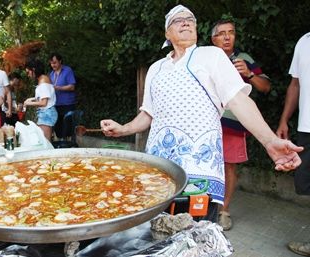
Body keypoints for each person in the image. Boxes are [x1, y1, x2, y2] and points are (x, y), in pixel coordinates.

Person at [100, 5, 302, 222]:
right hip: (158, 171)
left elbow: (238, 100)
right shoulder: (156, 69)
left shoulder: (211, 56)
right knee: (156, 236)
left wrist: (270, 141)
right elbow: (148, 114)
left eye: (190, 19)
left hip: (200, 171)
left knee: (197, 237)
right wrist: (123, 129)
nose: (186, 22)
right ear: (167, 33)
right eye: (178, 20)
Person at [211, 20, 271, 230]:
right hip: (206, 124)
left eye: (231, 33)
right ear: (213, 39)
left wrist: (250, 74)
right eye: (222, 34)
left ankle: (224, 211)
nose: (227, 37)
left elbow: (265, 87)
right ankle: (201, 206)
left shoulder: (244, 59)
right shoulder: (206, 58)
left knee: (229, 167)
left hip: (233, 125)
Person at [276, 32, 310, 257]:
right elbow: (295, 84)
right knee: (307, 184)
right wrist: (284, 119)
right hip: (306, 127)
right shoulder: (304, 41)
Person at [24, 60, 58, 141]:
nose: (28, 75)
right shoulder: (43, 79)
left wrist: (28, 103)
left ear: (33, 69)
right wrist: (32, 99)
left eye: (28, 72)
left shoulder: (43, 81)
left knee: (46, 143)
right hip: (46, 113)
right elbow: (43, 97)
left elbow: (44, 103)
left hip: (46, 113)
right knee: (44, 142)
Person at [48, 53, 77, 139]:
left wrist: (58, 88)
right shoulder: (51, 74)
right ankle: (62, 145)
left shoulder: (67, 70)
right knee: (59, 129)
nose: (53, 65)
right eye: (51, 63)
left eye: (55, 62)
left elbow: (72, 86)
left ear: (60, 61)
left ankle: (69, 145)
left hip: (67, 104)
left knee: (67, 129)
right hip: (56, 105)